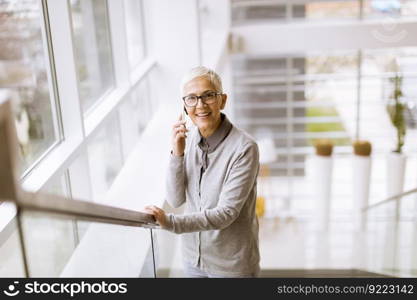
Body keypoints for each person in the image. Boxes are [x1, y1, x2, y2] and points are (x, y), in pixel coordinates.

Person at [144, 66, 260, 278]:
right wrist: (176, 153)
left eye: (208, 96)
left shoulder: (244, 148)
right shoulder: (189, 141)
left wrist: (170, 222)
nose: (200, 105)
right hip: (193, 260)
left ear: (222, 100)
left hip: (231, 267)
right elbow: (175, 198)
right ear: (185, 106)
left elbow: (226, 214)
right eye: (192, 98)